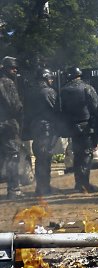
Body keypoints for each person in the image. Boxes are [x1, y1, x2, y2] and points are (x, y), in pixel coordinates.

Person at [60, 67, 98, 193]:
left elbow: (60, 110)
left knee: (77, 155)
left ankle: (79, 183)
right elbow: (95, 107)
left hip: (72, 127)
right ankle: (84, 184)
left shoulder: (63, 90)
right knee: (86, 155)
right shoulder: (87, 88)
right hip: (86, 127)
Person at [27, 68, 59, 196]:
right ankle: (44, 188)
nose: (51, 80)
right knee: (45, 158)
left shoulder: (30, 92)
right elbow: (55, 109)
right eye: (50, 78)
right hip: (46, 129)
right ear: (45, 78)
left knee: (40, 158)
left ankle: (41, 187)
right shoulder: (48, 91)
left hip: (35, 128)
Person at [0, 56, 24, 199]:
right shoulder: (7, 82)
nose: (15, 70)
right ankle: (14, 189)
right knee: (13, 156)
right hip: (7, 125)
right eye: (12, 67)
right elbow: (15, 106)